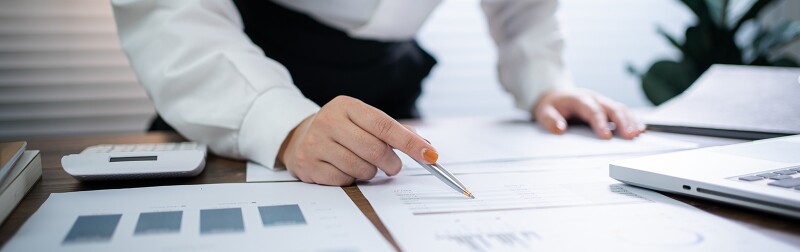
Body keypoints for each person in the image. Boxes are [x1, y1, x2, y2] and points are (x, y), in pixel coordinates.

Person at [112, 0, 645, 186]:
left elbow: (522, 7)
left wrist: (546, 80)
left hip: (386, 92)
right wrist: (280, 121)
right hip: (227, 80)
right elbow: (169, 10)